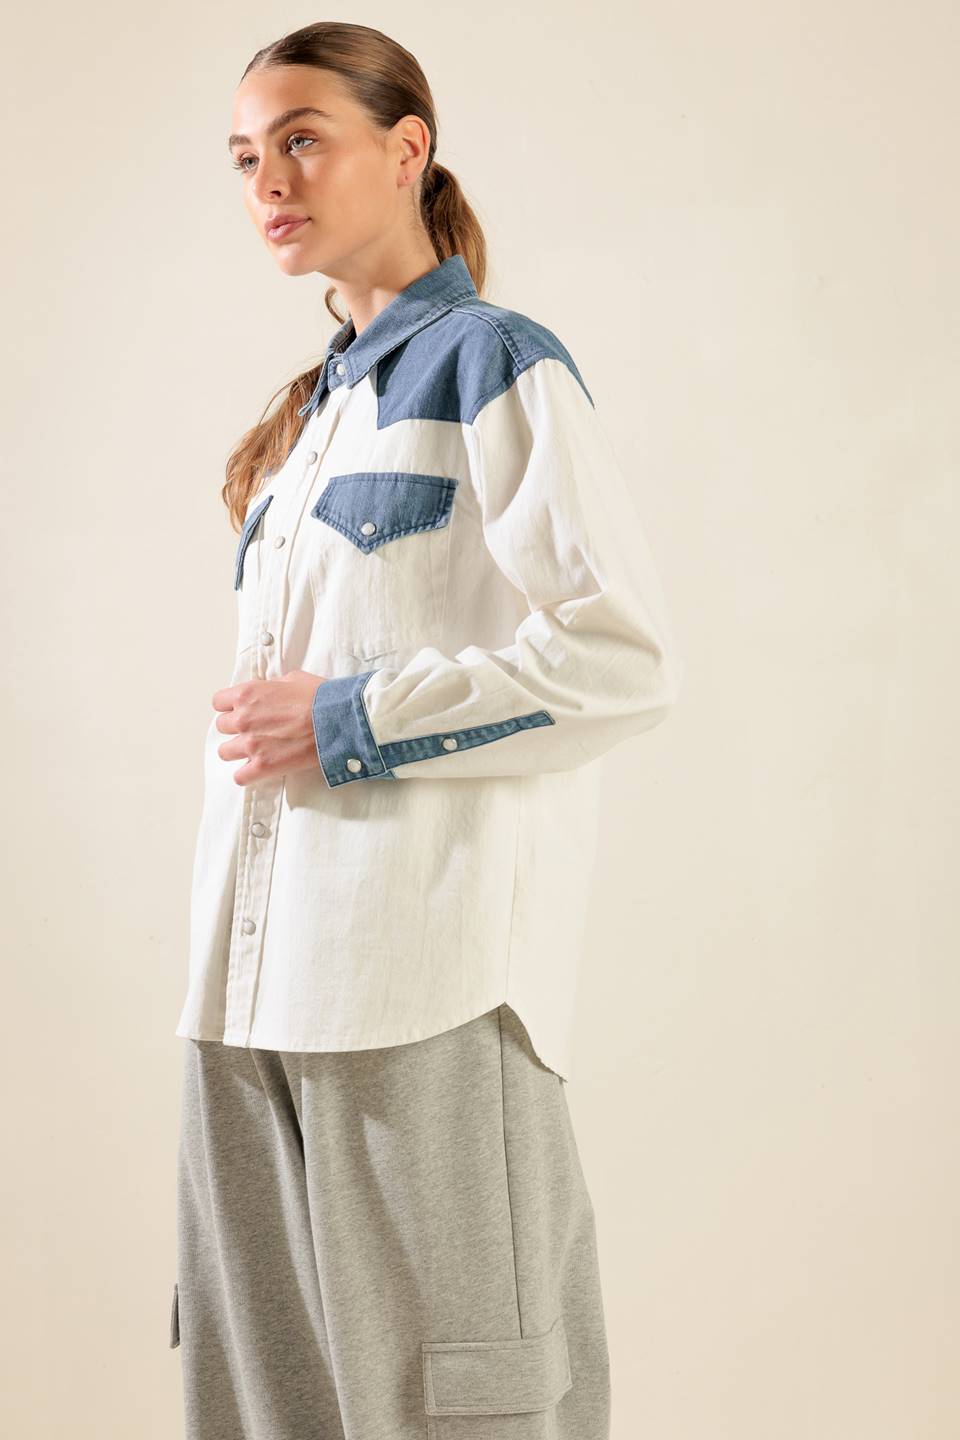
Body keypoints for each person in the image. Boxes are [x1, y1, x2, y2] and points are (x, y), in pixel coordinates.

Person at [169, 20, 682, 1440]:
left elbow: (621, 657)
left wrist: (349, 719)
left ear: (409, 149)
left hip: (417, 1002)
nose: (270, 180)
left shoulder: (493, 366)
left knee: (464, 1405)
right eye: (245, 158)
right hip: (242, 1007)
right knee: (262, 1406)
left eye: (303, 139)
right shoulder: (310, 418)